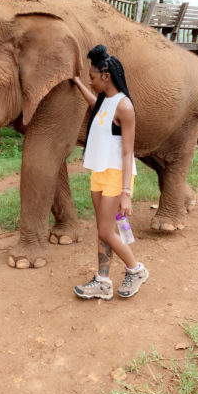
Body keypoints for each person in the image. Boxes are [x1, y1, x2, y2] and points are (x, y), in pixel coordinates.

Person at [73, 44, 148, 300]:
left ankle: (135, 269)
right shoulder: (105, 102)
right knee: (104, 229)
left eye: (92, 77)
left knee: (106, 231)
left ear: (106, 76)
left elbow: (128, 152)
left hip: (117, 176)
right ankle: (103, 281)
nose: (91, 81)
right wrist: (77, 83)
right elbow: (96, 105)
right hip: (100, 173)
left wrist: (126, 192)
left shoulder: (124, 107)